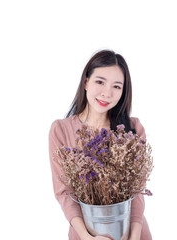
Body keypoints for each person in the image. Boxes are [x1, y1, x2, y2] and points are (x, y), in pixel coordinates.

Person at [48, 49, 152, 240]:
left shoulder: (133, 129)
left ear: (123, 92)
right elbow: (64, 193)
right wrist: (87, 237)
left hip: (133, 233)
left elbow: (137, 191)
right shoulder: (61, 131)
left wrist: (135, 235)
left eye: (117, 86)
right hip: (86, 234)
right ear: (86, 82)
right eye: (100, 82)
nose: (107, 93)